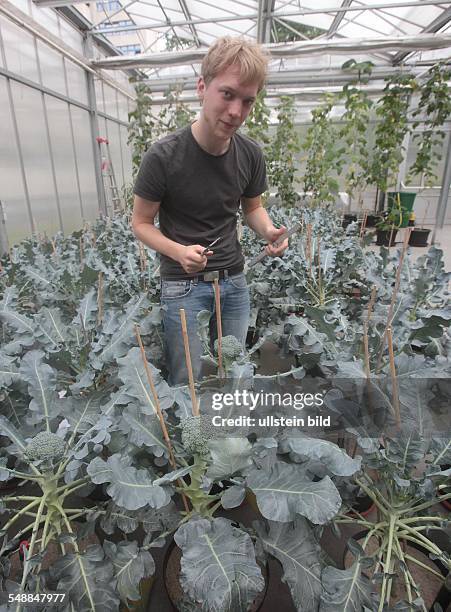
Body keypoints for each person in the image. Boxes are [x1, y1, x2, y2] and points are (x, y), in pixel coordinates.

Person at [132, 36, 288, 385]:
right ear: (202, 87)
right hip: (183, 288)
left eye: (248, 101)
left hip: (234, 283)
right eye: (227, 94)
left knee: (231, 374)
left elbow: (253, 207)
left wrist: (268, 231)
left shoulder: (250, 154)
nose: (236, 111)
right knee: (189, 382)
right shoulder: (163, 157)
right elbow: (140, 223)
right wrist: (179, 252)